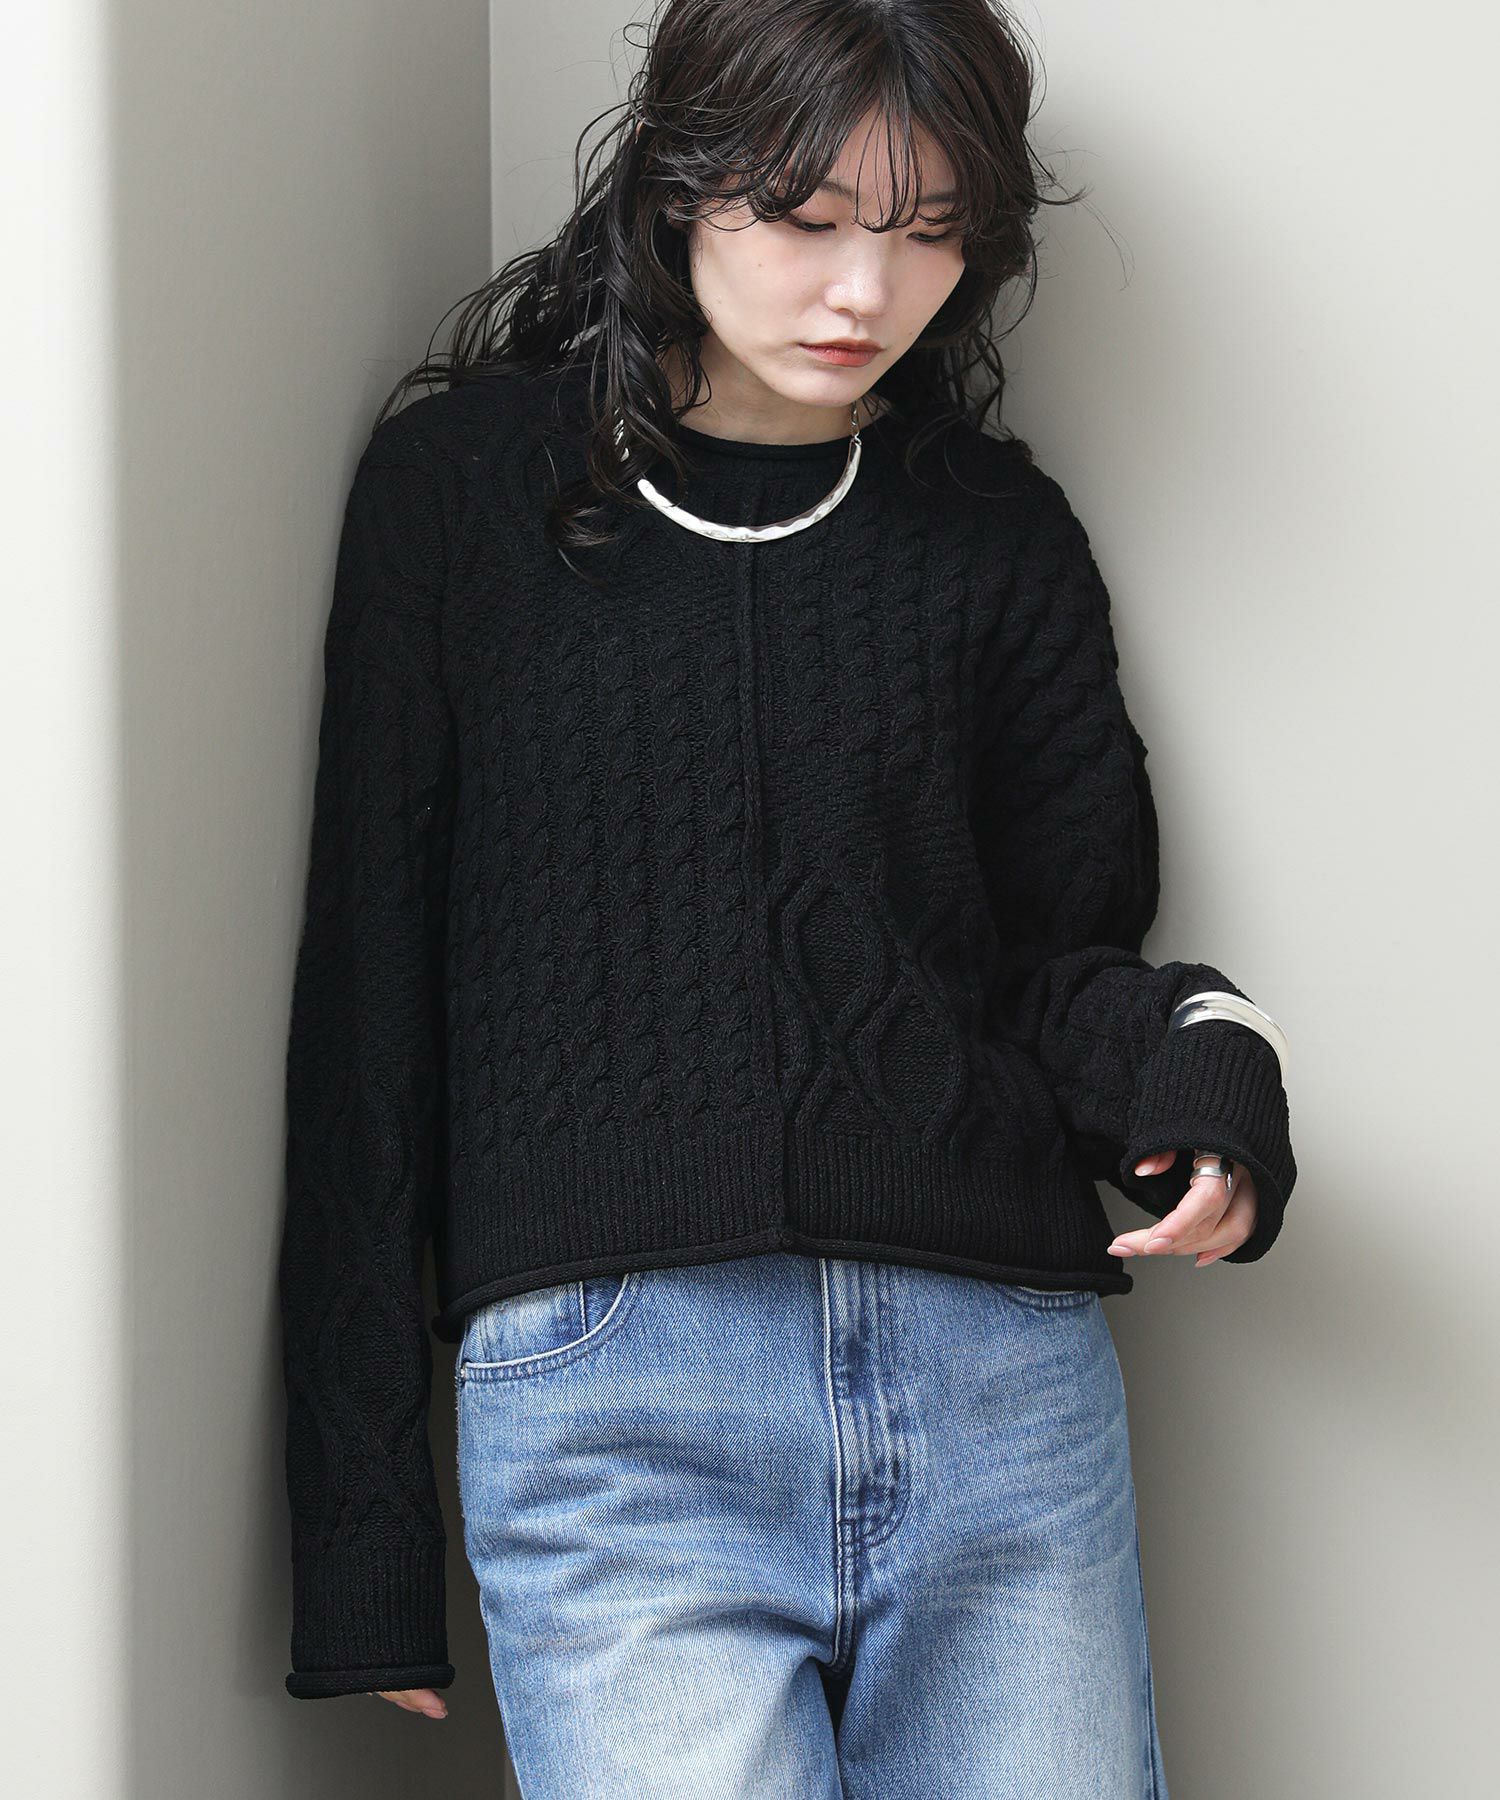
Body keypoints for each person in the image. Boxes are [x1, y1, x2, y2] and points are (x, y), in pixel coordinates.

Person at [275, 1, 1296, 1792]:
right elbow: (370, 1009)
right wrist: (361, 1533)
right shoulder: (464, 499)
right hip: (619, 1411)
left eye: (929, 231)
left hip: (996, 1388)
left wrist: (1210, 1070)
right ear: (679, 186)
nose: (866, 290)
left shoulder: (994, 529)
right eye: (807, 217)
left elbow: (1060, 961)